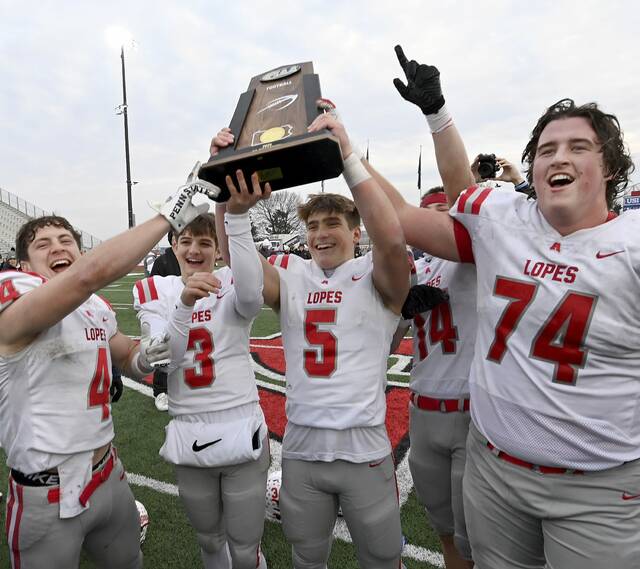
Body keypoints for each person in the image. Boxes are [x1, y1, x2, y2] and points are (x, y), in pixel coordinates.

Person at [379, 46, 639, 569]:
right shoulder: (509, 223)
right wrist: (426, 118)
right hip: (494, 465)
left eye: (578, 147)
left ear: (610, 166)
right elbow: (452, 202)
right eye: (546, 149)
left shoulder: (631, 244)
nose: (559, 157)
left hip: (598, 486)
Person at [212, 110, 410, 569]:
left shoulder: (375, 273)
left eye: (332, 224)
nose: (321, 234)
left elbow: (394, 241)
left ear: (356, 232)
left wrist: (347, 158)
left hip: (363, 450)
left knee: (382, 559)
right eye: (314, 226)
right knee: (306, 556)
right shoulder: (293, 275)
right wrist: (226, 189)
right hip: (302, 450)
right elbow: (239, 265)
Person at [0, 165, 214, 569]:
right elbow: (87, 277)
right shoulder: (16, 298)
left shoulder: (94, 309)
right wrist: (173, 209)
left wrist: (147, 354)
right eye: (43, 244)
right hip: (48, 490)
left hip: (108, 472)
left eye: (66, 240)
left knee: (130, 561)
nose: (58, 247)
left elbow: (128, 358)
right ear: (24, 266)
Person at [132, 210, 269, 569]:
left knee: (245, 548)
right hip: (188, 428)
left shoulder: (232, 280)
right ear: (174, 245)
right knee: (209, 541)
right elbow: (165, 359)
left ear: (218, 251)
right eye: (187, 240)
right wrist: (185, 304)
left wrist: (234, 212)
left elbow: (253, 297)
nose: (195, 249)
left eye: (205, 242)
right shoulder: (156, 290)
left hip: (241, 422)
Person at [148, 230, 182, 412]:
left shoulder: (189, 258)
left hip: (188, 313)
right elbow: (153, 287)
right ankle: (161, 391)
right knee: (162, 351)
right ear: (173, 241)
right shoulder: (162, 262)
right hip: (166, 314)